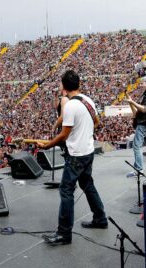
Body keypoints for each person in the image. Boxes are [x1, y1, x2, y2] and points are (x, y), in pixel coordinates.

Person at [41, 70, 107, 245]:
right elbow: (97, 122)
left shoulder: (70, 106)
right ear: (78, 84)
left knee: (66, 190)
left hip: (76, 155)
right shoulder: (88, 100)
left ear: (64, 86)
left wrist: (47, 145)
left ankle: (64, 233)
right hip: (88, 150)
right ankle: (100, 218)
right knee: (87, 184)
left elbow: (63, 135)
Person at [125, 76, 146, 177]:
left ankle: (139, 170)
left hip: (144, 123)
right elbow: (137, 111)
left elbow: (143, 109)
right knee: (142, 146)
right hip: (145, 122)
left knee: (137, 146)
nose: (140, 85)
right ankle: (138, 168)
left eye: (142, 83)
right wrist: (131, 103)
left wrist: (132, 102)